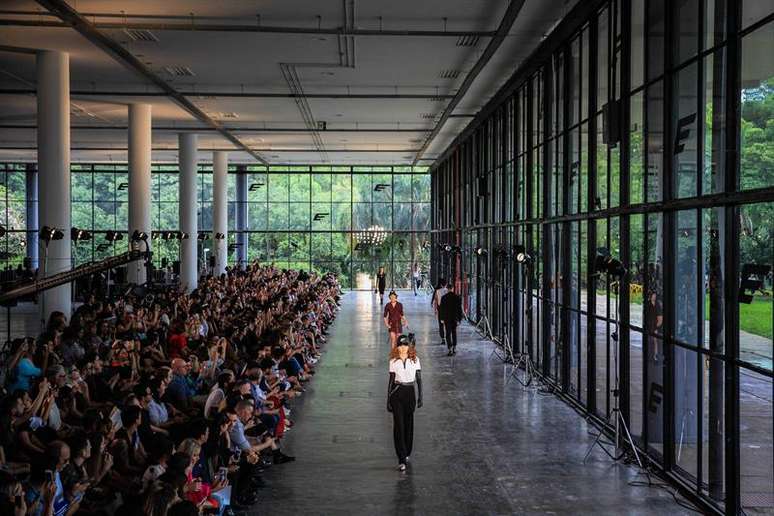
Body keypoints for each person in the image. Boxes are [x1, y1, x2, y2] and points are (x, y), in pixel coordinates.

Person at [386, 335, 422, 472]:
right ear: (397, 347)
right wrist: (387, 400)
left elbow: (419, 379)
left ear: (409, 346)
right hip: (397, 393)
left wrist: (421, 397)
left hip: (410, 393)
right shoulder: (393, 361)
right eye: (400, 345)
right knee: (398, 426)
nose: (403, 348)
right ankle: (400, 458)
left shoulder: (415, 360)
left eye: (405, 345)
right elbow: (390, 382)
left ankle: (407, 451)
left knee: (408, 424)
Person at [439, 283, 464, 356]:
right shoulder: (457, 297)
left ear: (447, 289)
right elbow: (459, 310)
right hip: (454, 318)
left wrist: (442, 318)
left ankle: (449, 348)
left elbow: (441, 309)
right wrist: (459, 319)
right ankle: (454, 347)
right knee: (454, 332)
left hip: (447, 318)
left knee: (448, 333)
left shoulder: (444, 297)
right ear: (453, 288)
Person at [431, 278, 448, 346]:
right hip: (447, 309)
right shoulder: (448, 291)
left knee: (441, 325)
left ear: (441, 284)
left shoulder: (437, 291)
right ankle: (448, 337)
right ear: (446, 284)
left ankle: (443, 338)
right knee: (447, 324)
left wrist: (435, 310)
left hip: (441, 309)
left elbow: (436, 301)